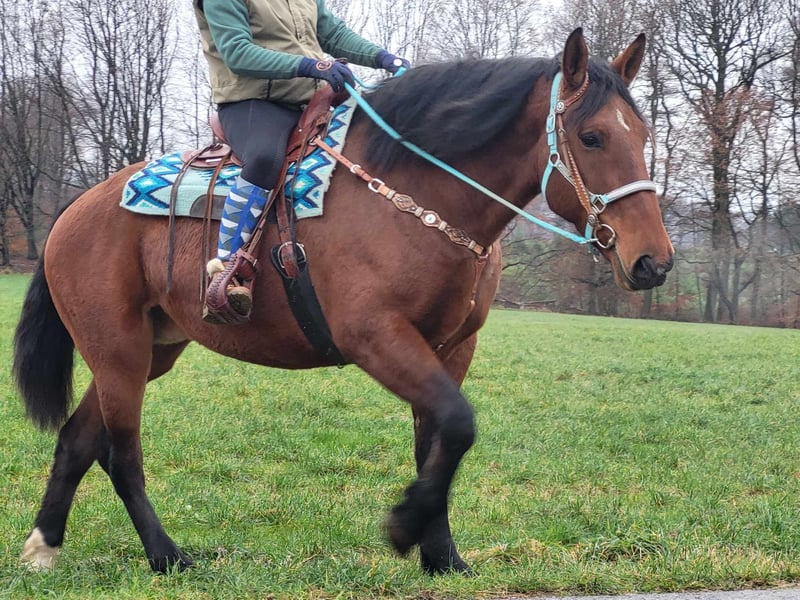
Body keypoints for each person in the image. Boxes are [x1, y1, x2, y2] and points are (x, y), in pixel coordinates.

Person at [194, 0, 410, 323]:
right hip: (252, 103)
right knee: (265, 158)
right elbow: (237, 53)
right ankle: (226, 270)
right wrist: (313, 66)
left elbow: (332, 34)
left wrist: (382, 58)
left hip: (311, 102)